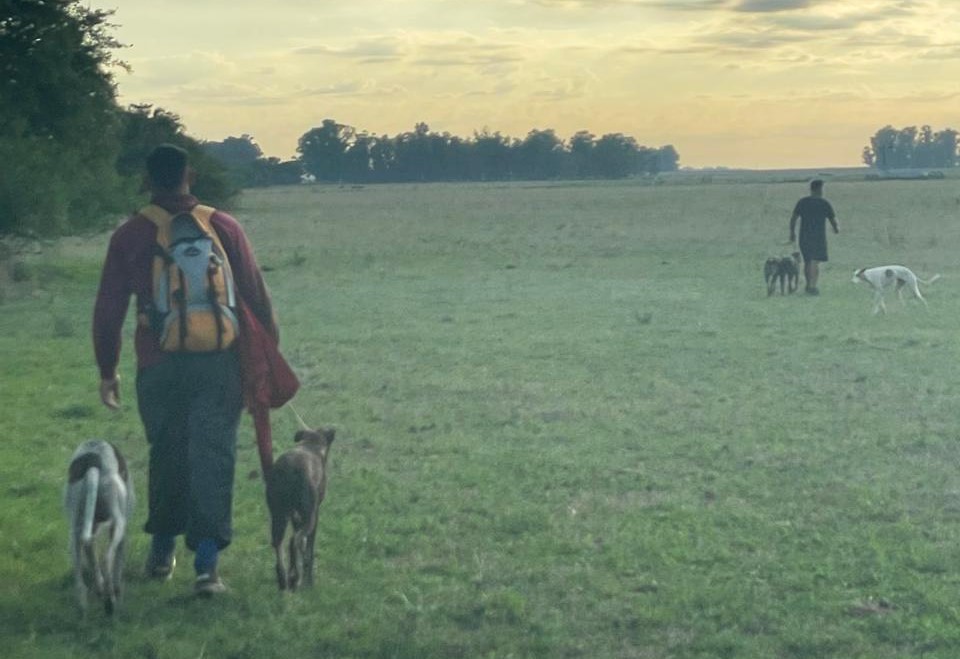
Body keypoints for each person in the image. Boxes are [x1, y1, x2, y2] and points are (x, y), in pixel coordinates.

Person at [93, 144, 278, 596]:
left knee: (166, 451)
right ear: (189, 176)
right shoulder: (224, 226)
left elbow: (108, 309)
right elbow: (255, 294)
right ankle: (207, 567)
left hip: (158, 363)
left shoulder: (131, 235)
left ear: (146, 181)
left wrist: (108, 369)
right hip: (219, 363)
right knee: (214, 454)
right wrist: (268, 356)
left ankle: (161, 551)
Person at [789, 179, 838, 295]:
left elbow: (793, 219)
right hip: (818, 237)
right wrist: (836, 229)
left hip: (804, 236)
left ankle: (808, 284)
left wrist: (792, 233)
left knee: (807, 261)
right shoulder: (824, 203)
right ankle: (812, 286)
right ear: (819, 189)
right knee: (814, 261)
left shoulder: (802, 202)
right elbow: (833, 220)